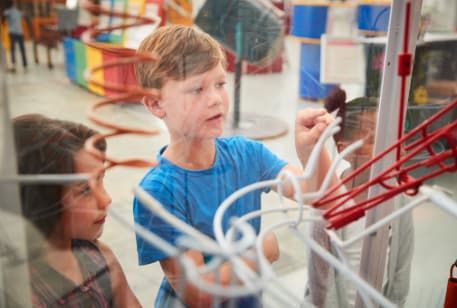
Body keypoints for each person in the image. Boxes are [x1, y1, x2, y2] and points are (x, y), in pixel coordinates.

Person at [132, 25, 339, 307]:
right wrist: (261, 250)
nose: (216, 98)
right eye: (197, 89)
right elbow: (199, 294)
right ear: (156, 105)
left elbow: (326, 199)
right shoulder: (157, 193)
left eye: (220, 84)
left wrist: (313, 152)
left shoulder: (246, 154)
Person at [13, 114, 141, 307]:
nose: (106, 199)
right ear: (40, 199)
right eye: (86, 190)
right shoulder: (19, 292)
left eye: (101, 181)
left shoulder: (101, 258)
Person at [3, 0, 28, 72]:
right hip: (19, 32)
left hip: (12, 33)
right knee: (22, 49)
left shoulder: (7, 11)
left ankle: (14, 64)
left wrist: (4, 22)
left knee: (13, 49)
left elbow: (3, 18)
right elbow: (26, 17)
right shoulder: (17, 11)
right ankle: (25, 65)